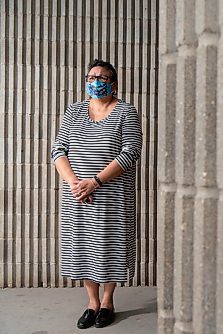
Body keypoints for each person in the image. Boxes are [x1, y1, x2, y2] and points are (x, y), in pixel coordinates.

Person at [51, 59, 142, 329]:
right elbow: (58, 150)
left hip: (112, 196)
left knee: (110, 245)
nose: (95, 82)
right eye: (91, 77)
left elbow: (131, 152)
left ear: (113, 83)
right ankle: (91, 303)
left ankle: (108, 301)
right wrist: (74, 184)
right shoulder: (74, 111)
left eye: (102, 78)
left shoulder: (126, 111)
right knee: (82, 246)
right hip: (78, 195)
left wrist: (95, 182)